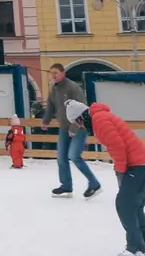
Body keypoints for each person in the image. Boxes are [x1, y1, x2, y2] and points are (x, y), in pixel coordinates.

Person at [67, 100, 145, 256]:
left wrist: (120, 170)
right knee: (134, 206)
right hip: (142, 163)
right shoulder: (101, 117)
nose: (80, 126)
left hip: (137, 165)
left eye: (78, 122)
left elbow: (117, 146)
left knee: (124, 205)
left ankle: (135, 249)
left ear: (81, 117)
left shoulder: (100, 121)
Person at [42, 63, 100, 198]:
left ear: (63, 73)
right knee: (61, 157)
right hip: (64, 127)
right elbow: (51, 105)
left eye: (56, 73)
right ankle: (66, 185)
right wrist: (46, 120)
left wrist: (74, 128)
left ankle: (94, 183)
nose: (53, 76)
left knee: (74, 156)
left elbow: (83, 110)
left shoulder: (73, 88)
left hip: (79, 127)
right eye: (51, 73)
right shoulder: (54, 89)